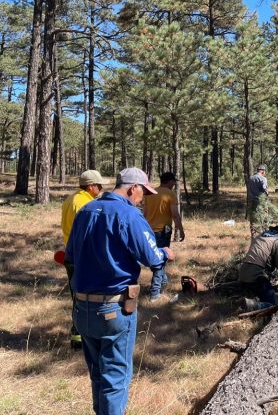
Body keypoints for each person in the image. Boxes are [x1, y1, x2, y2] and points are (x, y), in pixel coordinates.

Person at [65, 167, 174, 415]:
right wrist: (164, 252)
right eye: (143, 193)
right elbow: (152, 258)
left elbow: (70, 254)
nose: (142, 198)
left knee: (98, 375)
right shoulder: (129, 215)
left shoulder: (85, 211)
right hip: (114, 308)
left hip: (82, 308)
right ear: (133, 187)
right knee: (115, 378)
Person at [60, 169, 110, 348]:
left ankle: (78, 337)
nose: (101, 188)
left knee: (77, 297)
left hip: (71, 255)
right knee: (86, 299)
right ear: (90, 186)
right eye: (99, 185)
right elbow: (88, 233)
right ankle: (82, 338)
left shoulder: (71, 199)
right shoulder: (83, 203)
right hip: (83, 257)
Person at [143, 171, 185, 301]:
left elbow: (144, 212)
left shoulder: (150, 193)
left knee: (157, 260)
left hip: (148, 231)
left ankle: (163, 283)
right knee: (159, 261)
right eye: (173, 182)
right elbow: (175, 215)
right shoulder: (170, 194)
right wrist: (181, 230)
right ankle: (155, 293)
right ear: (169, 181)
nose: (174, 184)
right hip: (162, 231)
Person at [238, 221, 278, 309]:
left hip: (243, 273)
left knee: (264, 292)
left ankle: (249, 299)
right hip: (256, 276)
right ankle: (251, 305)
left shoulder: (261, 236)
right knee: (275, 304)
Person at [246, 164, 269, 234]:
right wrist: (267, 193)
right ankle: (265, 233)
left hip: (252, 201)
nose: (264, 173)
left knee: (253, 219)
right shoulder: (263, 178)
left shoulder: (251, 178)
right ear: (262, 171)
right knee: (264, 218)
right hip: (261, 202)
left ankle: (253, 233)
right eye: (264, 171)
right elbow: (264, 189)